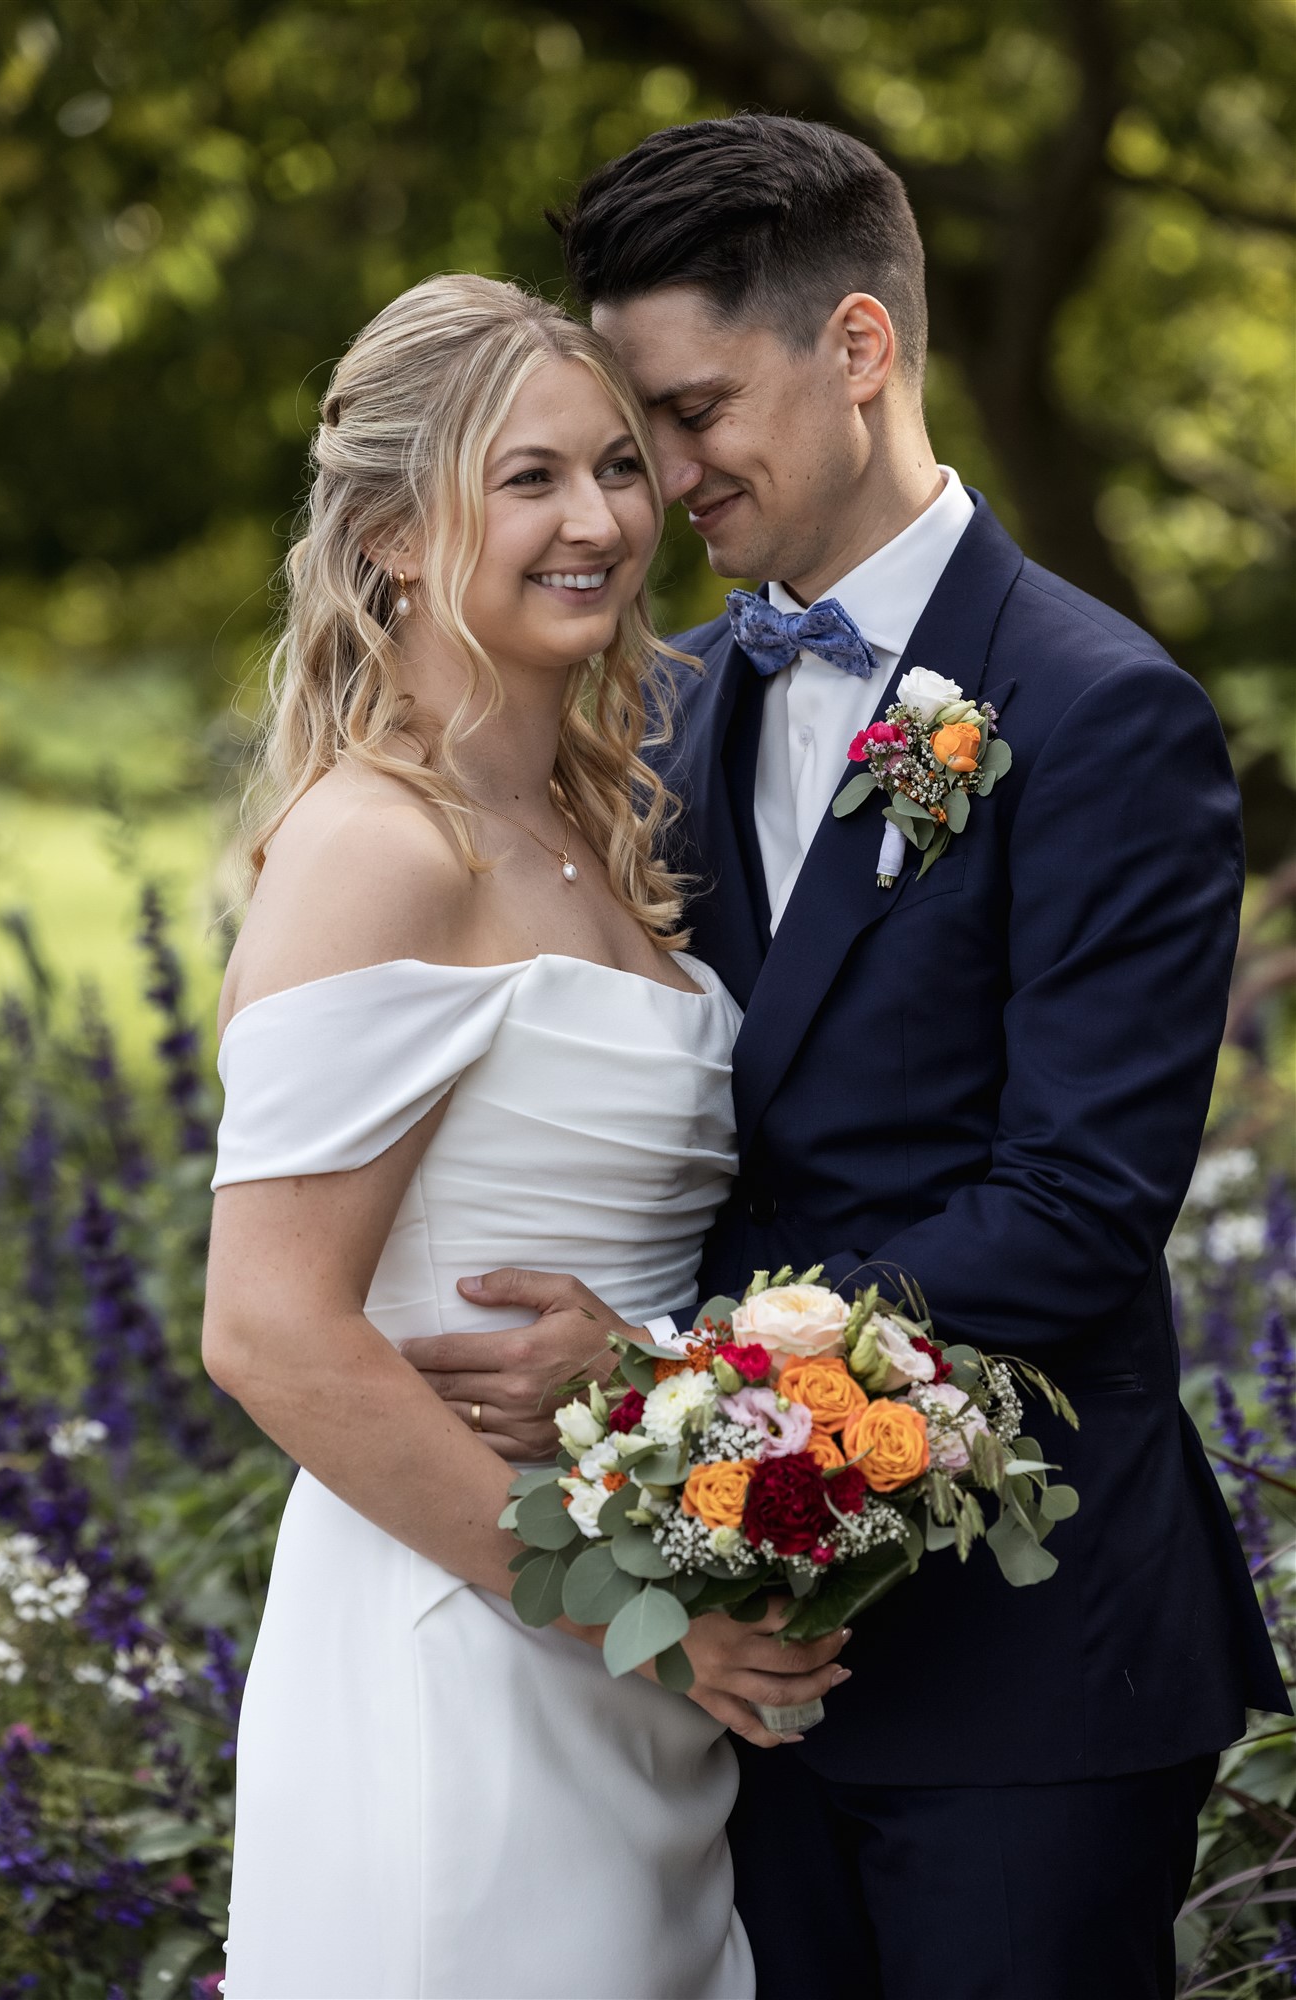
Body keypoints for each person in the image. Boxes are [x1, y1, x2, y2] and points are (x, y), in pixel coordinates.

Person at [401, 118, 1290, 1998]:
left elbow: (1070, 1212)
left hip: (1022, 1670)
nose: (660, 483)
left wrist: (655, 1375)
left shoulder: (1102, 713)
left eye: (693, 413)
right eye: (635, 431)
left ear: (859, 348)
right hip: (716, 1672)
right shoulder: (661, 708)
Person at [201, 272, 851, 2000]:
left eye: (618, 467)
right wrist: (639, 1614)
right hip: (462, 1650)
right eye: (528, 479)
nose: (600, 521)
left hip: (632, 1679)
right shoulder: (379, 846)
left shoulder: (591, 821)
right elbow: (269, 1326)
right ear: (392, 537)